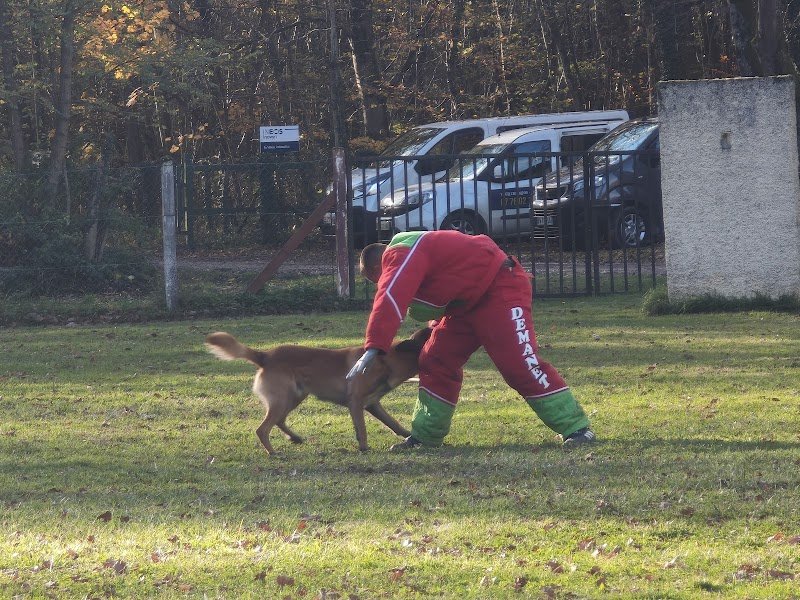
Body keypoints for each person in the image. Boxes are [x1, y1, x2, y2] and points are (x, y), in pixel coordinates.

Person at [346, 230, 595, 450]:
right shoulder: (414, 249)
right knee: (434, 360)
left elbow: (391, 295)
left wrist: (374, 347)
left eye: (376, 280)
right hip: (468, 303)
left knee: (519, 365)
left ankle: (578, 428)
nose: (380, 283)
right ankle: (425, 437)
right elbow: (443, 286)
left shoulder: (398, 256)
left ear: (377, 269)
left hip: (500, 287)